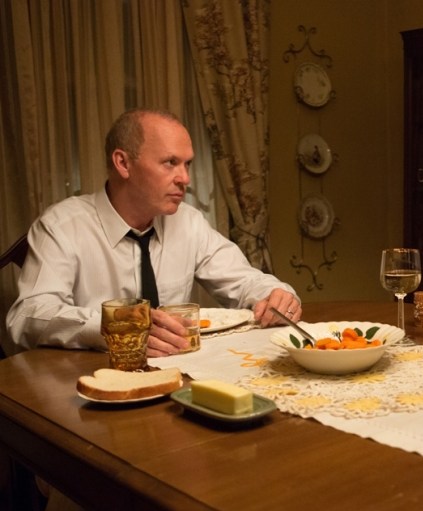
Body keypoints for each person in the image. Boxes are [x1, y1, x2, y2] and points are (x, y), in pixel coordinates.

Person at [6, 108, 302, 357]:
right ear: (123, 163)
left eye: (187, 164)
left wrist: (276, 295)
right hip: (88, 382)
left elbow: (245, 281)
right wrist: (118, 325)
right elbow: (28, 315)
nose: (185, 178)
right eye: (170, 163)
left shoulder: (188, 223)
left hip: (178, 376)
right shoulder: (62, 226)